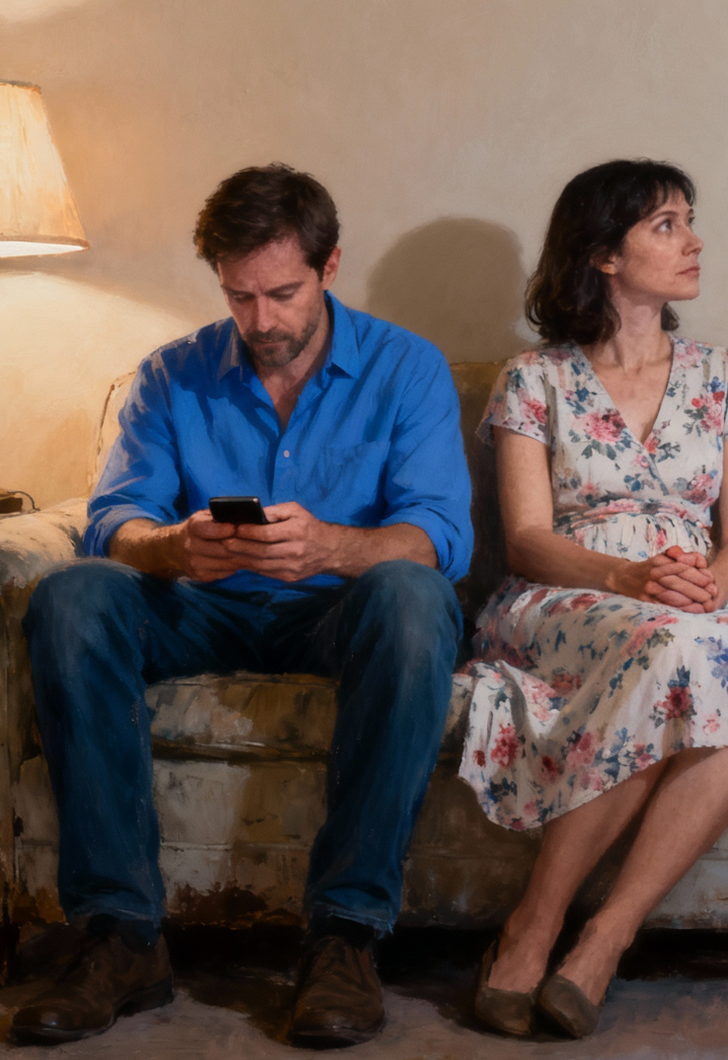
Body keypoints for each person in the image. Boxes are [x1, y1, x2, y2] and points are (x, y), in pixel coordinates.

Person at [16, 164, 473, 1048]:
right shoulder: (171, 375)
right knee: (72, 597)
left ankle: (345, 936)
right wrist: (173, 548)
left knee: (414, 598)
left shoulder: (406, 368)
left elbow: (442, 537)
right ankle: (121, 936)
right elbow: (113, 520)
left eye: (283, 293)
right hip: (203, 606)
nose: (262, 321)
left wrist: (332, 547)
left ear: (331, 265)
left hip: (344, 613)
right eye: (239, 296)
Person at [457, 158, 728, 1040]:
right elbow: (524, 537)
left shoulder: (727, 376)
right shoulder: (536, 379)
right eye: (666, 224)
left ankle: (604, 938)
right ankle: (533, 923)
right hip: (570, 592)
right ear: (603, 253)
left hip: (695, 591)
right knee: (672, 646)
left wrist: (711, 584)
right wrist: (628, 578)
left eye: (688, 219)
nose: (694, 240)